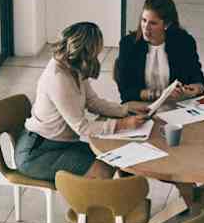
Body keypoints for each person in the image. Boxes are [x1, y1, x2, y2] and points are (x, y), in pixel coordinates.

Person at [15, 21, 147, 183]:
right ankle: (95, 207)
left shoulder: (73, 67)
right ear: (84, 51)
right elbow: (82, 127)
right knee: (104, 169)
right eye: (95, 53)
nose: (96, 57)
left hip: (62, 144)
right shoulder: (58, 79)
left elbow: (92, 102)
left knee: (115, 156)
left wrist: (126, 110)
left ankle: (121, 203)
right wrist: (124, 124)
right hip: (38, 152)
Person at [114, 0, 204, 112]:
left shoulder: (184, 42)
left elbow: (198, 78)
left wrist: (196, 88)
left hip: (175, 107)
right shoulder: (128, 45)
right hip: (141, 107)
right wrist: (161, 94)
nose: (146, 28)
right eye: (143, 20)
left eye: (153, 23)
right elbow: (126, 92)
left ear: (167, 25)